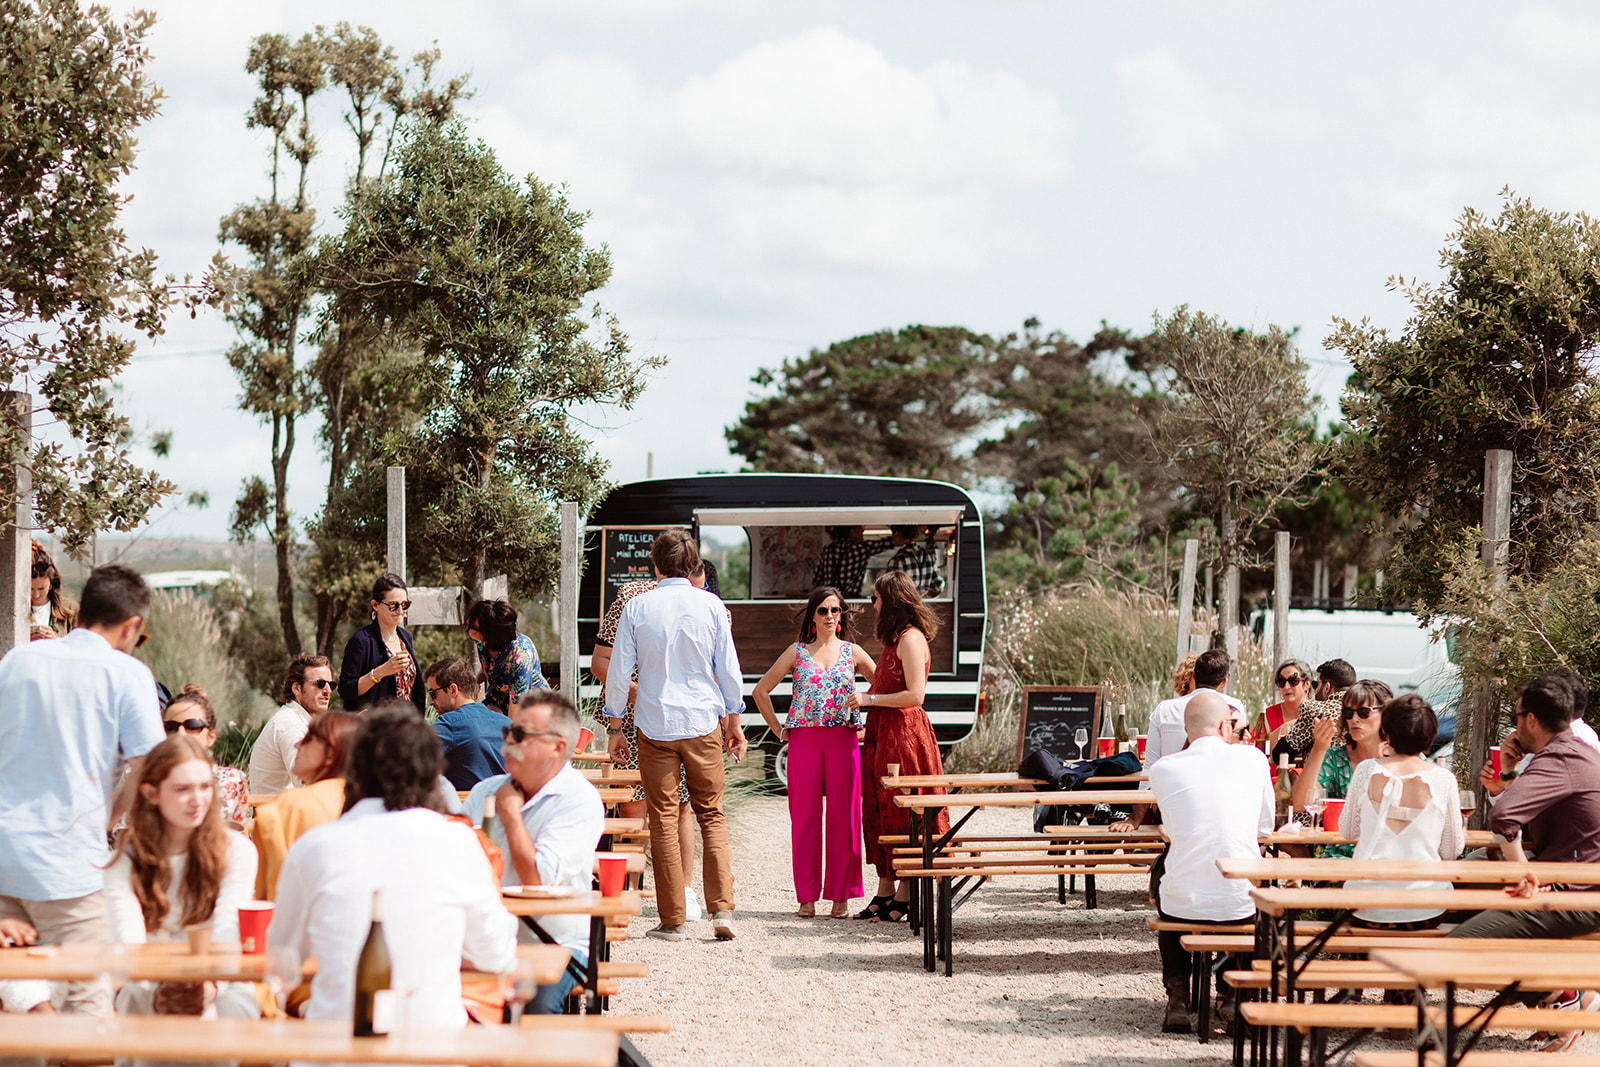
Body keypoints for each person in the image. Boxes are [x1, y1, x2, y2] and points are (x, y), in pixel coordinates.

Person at [269, 702, 517, 1028]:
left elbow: (282, 962)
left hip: (331, 1047)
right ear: (431, 771)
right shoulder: (459, 843)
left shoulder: (314, 848)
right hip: (434, 1049)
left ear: (353, 769)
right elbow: (497, 955)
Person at [0, 563, 162, 1018]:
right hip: (67, 866)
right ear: (131, 626)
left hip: (4, 858)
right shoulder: (127, 675)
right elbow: (149, 770)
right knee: (87, 1011)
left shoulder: (16, 661)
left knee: (15, 1014)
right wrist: (107, 821)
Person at [603, 528, 746, 942]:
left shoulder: (637, 606)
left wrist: (615, 726)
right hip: (703, 723)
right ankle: (722, 911)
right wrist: (734, 722)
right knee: (712, 815)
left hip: (653, 723)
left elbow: (618, 672)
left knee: (663, 820)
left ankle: (673, 920)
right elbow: (729, 671)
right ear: (693, 564)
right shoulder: (713, 606)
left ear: (656, 564)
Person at [1452, 672, 1600, 1050]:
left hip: (1580, 895)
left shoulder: (1560, 757)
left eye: (1517, 717)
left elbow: (1505, 817)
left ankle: (1560, 1000)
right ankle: (1561, 996)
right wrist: (1510, 773)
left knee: (1457, 946)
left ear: (1531, 719)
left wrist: (1521, 873)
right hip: (1574, 883)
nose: (1515, 725)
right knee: (1464, 893)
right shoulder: (1571, 751)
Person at [464, 691, 604, 1013]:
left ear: (557, 746)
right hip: (484, 939)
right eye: (508, 731)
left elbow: (538, 879)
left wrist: (510, 814)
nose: (508, 741)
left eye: (521, 734)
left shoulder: (578, 799)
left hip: (552, 943)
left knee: (530, 1007)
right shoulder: (484, 790)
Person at [104, 736, 260, 1024]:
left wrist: (210, 986)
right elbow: (130, 944)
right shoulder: (125, 860)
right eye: (182, 789)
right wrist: (161, 990)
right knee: (140, 1006)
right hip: (146, 981)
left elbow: (227, 930)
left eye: (204, 787)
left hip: (219, 980)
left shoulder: (237, 850)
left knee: (228, 1009)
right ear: (151, 793)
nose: (197, 800)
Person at [1149, 690, 1274, 1033]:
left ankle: (1178, 992)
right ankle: (1235, 992)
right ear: (1224, 726)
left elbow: (1174, 831)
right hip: (1239, 905)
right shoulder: (1253, 760)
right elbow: (1265, 828)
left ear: (1187, 732)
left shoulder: (1163, 769)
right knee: (1257, 895)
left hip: (1182, 904)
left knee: (1167, 878)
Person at [753, 586, 875, 919]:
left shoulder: (854, 652)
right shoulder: (797, 652)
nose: (830, 616)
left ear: (842, 615)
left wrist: (869, 719)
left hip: (844, 740)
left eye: (835, 610)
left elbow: (884, 690)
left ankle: (841, 897)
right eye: (823, 610)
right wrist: (779, 730)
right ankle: (806, 898)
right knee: (805, 819)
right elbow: (760, 691)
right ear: (813, 615)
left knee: (845, 818)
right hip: (804, 741)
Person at [591, 576, 702, 920]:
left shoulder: (705, 602)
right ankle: (630, 891)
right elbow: (600, 662)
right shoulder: (631, 596)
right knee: (632, 808)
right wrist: (634, 690)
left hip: (683, 718)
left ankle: (683, 893)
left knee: (682, 807)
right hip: (634, 717)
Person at [848, 569, 945, 924]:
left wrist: (868, 698)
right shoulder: (895, 640)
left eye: (875, 598)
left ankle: (905, 895)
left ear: (890, 600)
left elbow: (915, 696)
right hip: (883, 733)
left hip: (904, 735)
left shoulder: (911, 639)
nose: (872, 604)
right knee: (879, 806)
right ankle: (886, 890)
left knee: (901, 809)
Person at [1339, 695, 1463, 927]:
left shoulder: (1367, 770)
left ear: (1387, 732)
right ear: (1431, 733)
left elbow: (1347, 832)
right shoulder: (1443, 779)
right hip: (1425, 908)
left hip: (1366, 906)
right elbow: (1452, 850)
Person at [252, 711, 362, 900]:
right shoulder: (368, 803)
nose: (297, 744)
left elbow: (268, 895)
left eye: (309, 738)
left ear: (331, 753)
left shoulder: (292, 806)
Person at [1290, 679, 1391, 857]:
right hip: (1341, 857)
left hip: (1388, 856)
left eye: (1363, 712)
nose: (1354, 719)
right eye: (1348, 713)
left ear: (1386, 714)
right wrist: (1319, 748)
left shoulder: (1403, 758)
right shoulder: (1336, 758)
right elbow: (1300, 803)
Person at [1488, 668, 1600, 794]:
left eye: (1518, 718)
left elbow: (1524, 805)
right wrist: (1500, 785)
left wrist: (1509, 773)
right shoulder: (1553, 739)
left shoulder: (1574, 744)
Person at [161, 684, 250, 829]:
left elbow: (241, 837)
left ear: (211, 736)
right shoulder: (147, 781)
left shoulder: (234, 780)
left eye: (193, 726)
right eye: (171, 727)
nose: (181, 733)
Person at [248, 654, 334, 795]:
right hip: (280, 814)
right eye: (319, 684)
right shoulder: (291, 725)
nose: (327, 690)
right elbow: (307, 783)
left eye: (331, 684)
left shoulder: (297, 720)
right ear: (296, 689)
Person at [337, 572, 425, 710]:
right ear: (375, 605)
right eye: (393, 605)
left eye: (405, 604)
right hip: (376, 726)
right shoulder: (361, 641)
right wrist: (381, 672)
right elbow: (345, 690)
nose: (400, 611)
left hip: (406, 725)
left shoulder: (405, 637)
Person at [428, 657, 510, 791]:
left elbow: (412, 759)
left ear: (453, 690)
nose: (431, 702)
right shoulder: (507, 723)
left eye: (433, 693)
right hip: (504, 807)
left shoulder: (448, 724)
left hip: (467, 808)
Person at [464, 599, 549, 716]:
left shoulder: (520, 660)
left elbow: (514, 717)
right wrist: (476, 682)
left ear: (488, 634)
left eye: (472, 626)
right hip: (498, 698)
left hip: (528, 707)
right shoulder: (483, 643)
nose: (468, 625)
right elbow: (489, 667)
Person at [1283, 658, 1357, 755]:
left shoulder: (1313, 710)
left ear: (1327, 687)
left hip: (1321, 769)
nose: (1314, 690)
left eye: (1316, 684)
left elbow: (1284, 750)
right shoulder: (1364, 712)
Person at [810, 526, 891, 597]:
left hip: (830, 597)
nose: (862, 531)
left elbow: (817, 579)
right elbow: (887, 543)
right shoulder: (860, 548)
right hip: (851, 598)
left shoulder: (827, 549)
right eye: (860, 529)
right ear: (852, 531)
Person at [1259, 658, 1314, 747]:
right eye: (1281, 681)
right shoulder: (1269, 714)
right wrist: (1285, 728)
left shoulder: (1318, 713)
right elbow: (1254, 745)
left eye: (1293, 681)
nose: (1286, 687)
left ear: (1307, 684)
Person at [28, 544, 75, 640]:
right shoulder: (12, 610)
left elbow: (81, 648)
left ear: (51, 584)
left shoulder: (70, 609)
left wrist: (56, 641)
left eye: (41, 589)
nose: (36, 595)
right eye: (31, 589)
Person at [886, 525, 945, 599]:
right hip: (922, 606)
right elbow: (939, 586)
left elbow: (889, 589)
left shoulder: (897, 559)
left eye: (893, 533)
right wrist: (924, 597)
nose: (892, 537)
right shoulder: (929, 556)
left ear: (898, 533)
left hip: (905, 606)